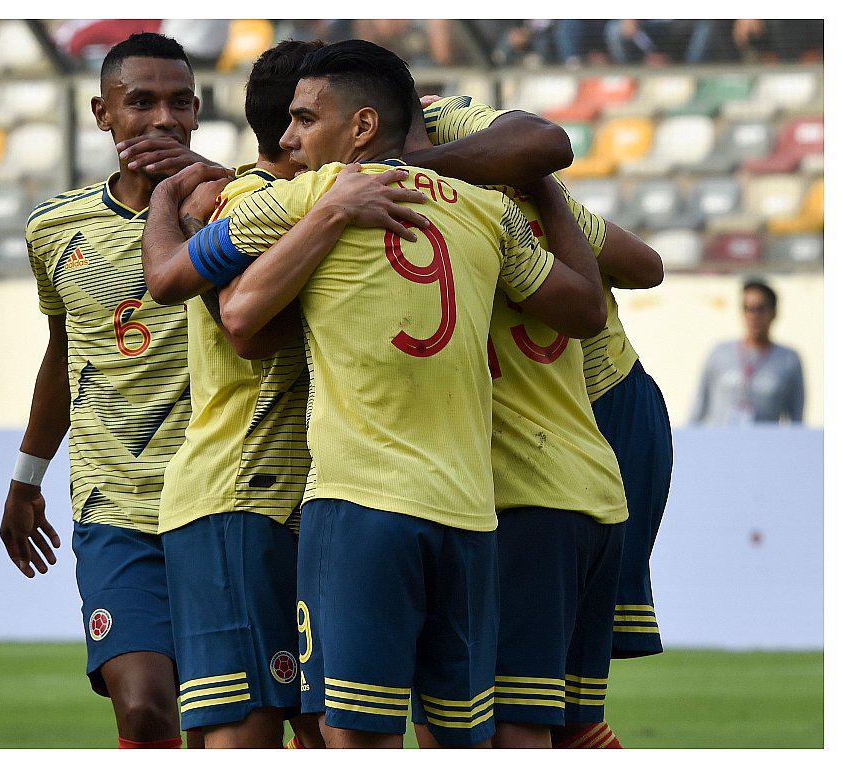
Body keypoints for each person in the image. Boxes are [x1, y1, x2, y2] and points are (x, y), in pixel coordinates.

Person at [149, 39, 608, 748]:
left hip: (361, 509)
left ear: (360, 128)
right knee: (464, 741)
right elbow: (586, 310)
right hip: (468, 514)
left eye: (305, 120)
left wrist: (167, 205)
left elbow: (201, 295)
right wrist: (543, 184)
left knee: (356, 740)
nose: (289, 140)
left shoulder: (309, 197)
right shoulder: (487, 209)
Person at [140, 40, 426, 748]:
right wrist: (168, 201)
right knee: (249, 733)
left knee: (332, 727)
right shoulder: (248, 202)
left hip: (309, 506)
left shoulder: (316, 198)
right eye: (302, 114)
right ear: (297, 125)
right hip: (239, 496)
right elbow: (245, 329)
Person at [419, 92, 669, 749]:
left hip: (591, 415)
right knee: (530, 705)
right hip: (551, 439)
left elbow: (548, 147)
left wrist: (537, 193)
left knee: (522, 706)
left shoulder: (467, 159)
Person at [0, 32, 217, 749]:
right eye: (141, 102)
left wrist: (212, 184)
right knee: (146, 708)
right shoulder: (56, 228)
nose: (162, 120)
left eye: (179, 103)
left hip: (231, 497)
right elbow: (64, 352)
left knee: (242, 721)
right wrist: (27, 477)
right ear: (102, 113)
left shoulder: (249, 208)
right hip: (115, 503)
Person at [692, 279, 805, 426]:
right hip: (721, 444)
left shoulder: (788, 359)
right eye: (747, 308)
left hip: (764, 445)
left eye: (760, 309)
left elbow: (796, 419)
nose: (753, 316)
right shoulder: (720, 353)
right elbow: (698, 407)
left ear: (773, 312)